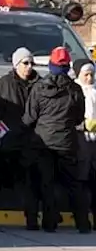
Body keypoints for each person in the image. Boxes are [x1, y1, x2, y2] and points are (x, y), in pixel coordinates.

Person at [23, 46, 91, 233]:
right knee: (74, 185)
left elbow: (30, 117)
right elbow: (79, 118)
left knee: (47, 184)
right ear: (68, 66)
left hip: (43, 143)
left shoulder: (39, 88)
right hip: (68, 143)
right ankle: (83, 224)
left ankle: (49, 223)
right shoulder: (75, 89)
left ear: (51, 65)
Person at [0, 46, 42, 230]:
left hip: (34, 140)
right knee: (9, 176)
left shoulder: (40, 84)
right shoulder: (3, 84)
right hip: (10, 140)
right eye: (25, 63)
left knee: (33, 180)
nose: (29, 67)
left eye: (32, 63)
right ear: (16, 65)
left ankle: (32, 218)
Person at [75, 61, 96, 229]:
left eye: (92, 75)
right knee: (81, 182)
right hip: (80, 142)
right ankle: (82, 220)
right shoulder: (74, 91)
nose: (89, 78)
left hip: (94, 142)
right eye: (86, 75)